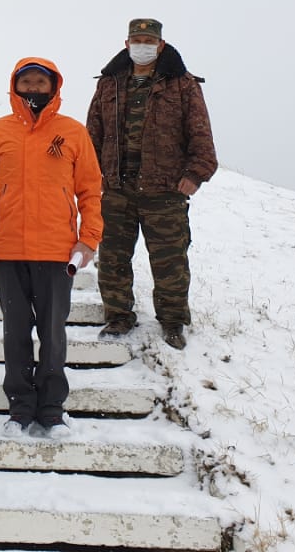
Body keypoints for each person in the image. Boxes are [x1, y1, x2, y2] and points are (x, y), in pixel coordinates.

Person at [0, 57, 102, 439]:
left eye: (39, 82)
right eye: (25, 81)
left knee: (52, 332)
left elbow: (90, 191)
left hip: (56, 251)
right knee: (15, 333)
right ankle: (20, 406)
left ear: (53, 86)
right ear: (15, 85)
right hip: (10, 250)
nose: (32, 88)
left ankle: (51, 409)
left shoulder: (72, 132)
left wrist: (88, 238)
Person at [86, 18, 218, 351]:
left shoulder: (183, 84)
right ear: (126, 43)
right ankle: (118, 316)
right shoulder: (109, 84)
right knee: (113, 257)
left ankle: (173, 321)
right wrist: (92, 174)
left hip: (165, 191)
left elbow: (200, 134)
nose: (141, 45)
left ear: (160, 45)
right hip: (116, 188)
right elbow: (93, 134)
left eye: (148, 40)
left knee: (170, 261)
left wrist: (195, 174)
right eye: (136, 39)